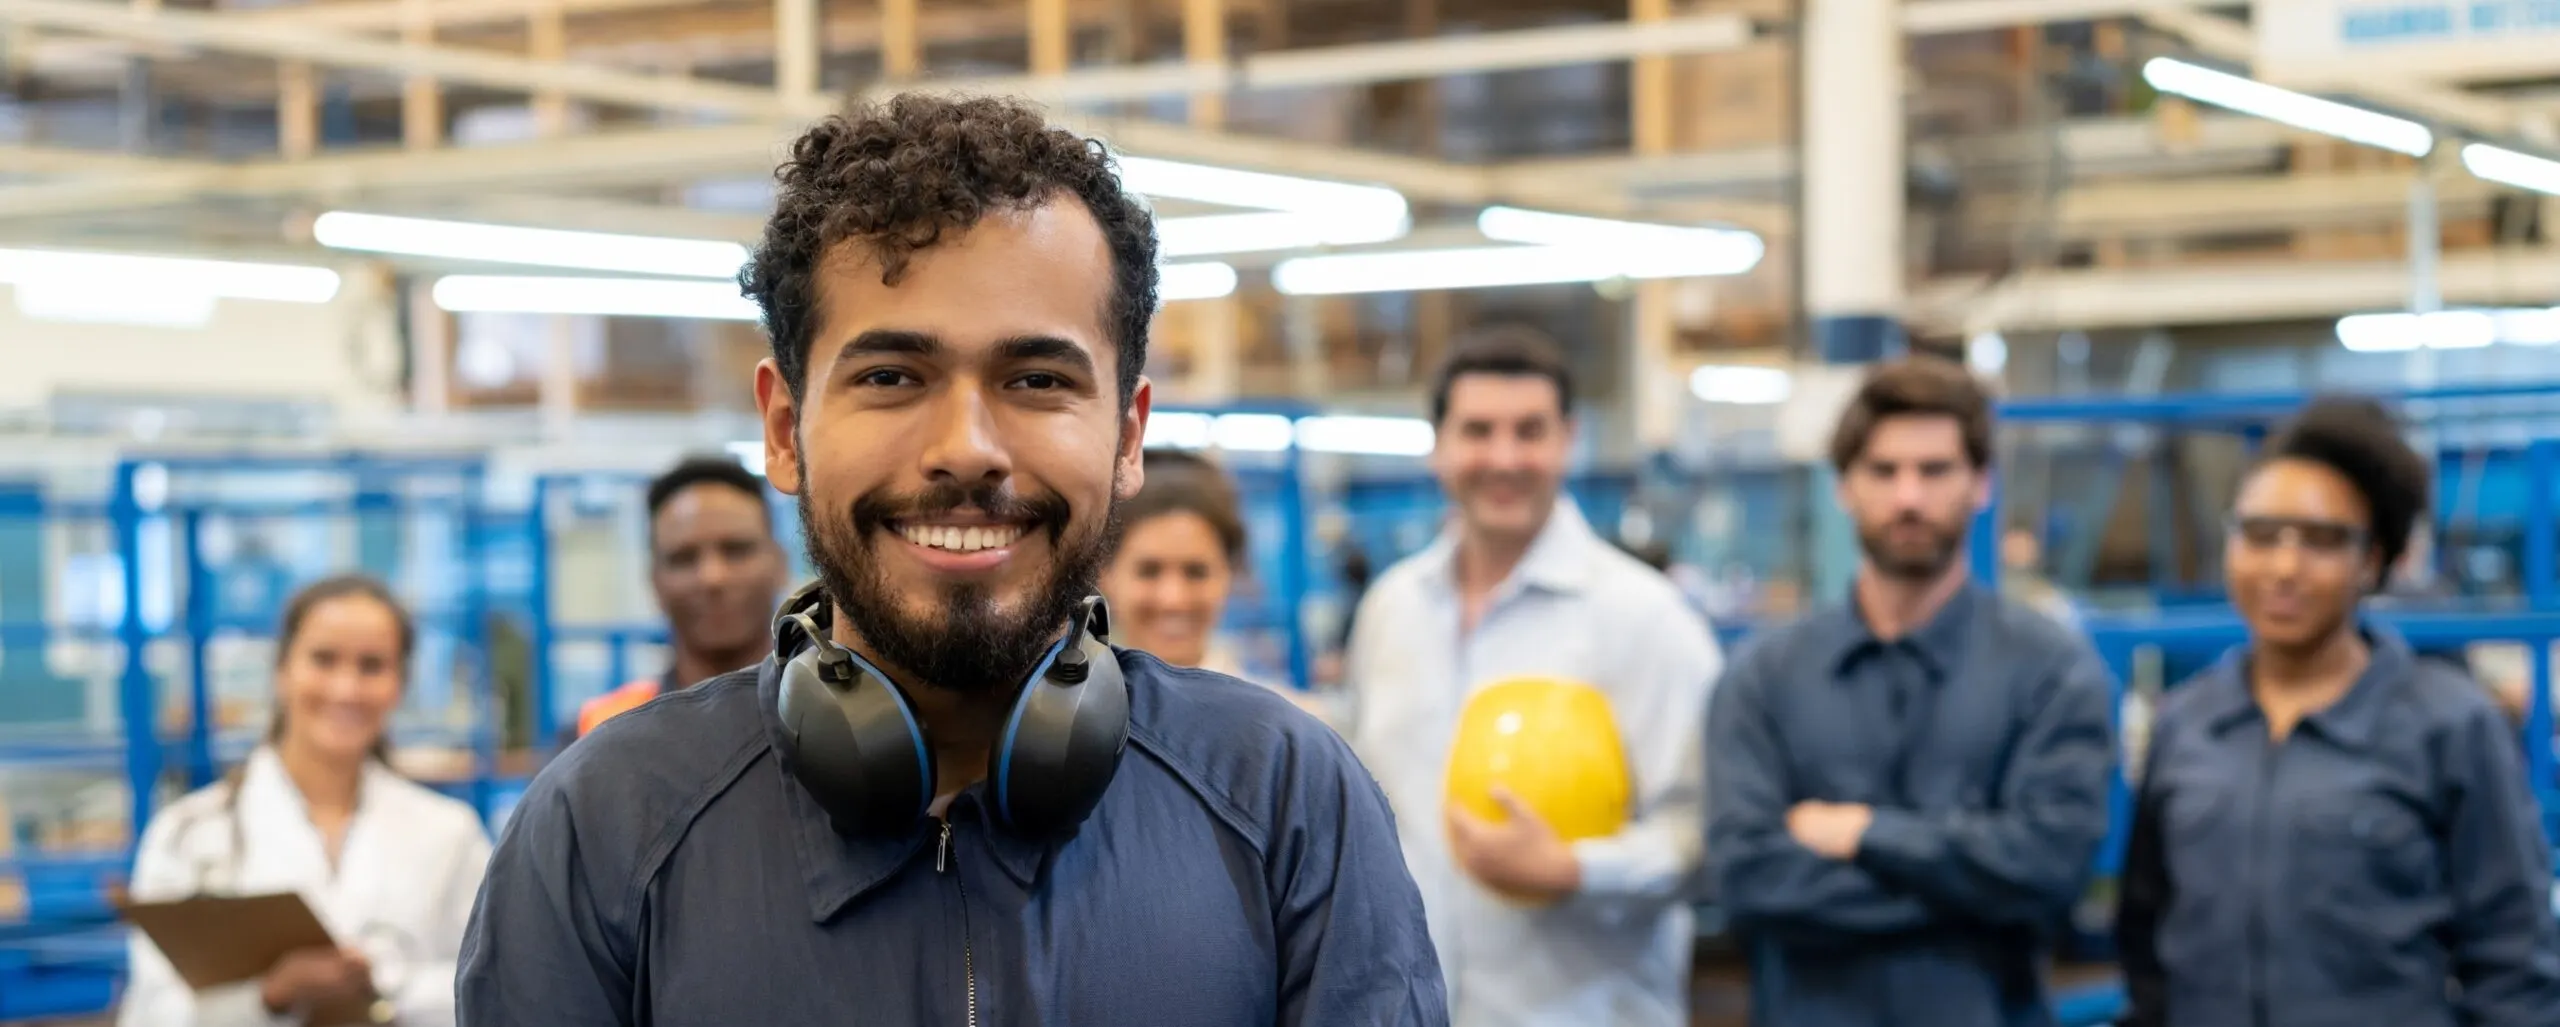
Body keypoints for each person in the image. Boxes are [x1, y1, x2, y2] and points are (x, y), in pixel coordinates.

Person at [456, 93, 1445, 1026]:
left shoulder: (1282, 802)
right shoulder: (605, 828)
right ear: (786, 429)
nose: (966, 448)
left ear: (1128, 434)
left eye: (1037, 378)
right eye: (892, 375)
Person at [2116, 397, 2560, 1027]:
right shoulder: (2186, 725)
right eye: (2259, 535)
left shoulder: (2450, 727)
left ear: (2372, 560)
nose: (2284, 568)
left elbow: (2516, 963)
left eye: (2322, 541)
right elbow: (2146, 937)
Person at [1704, 356, 2116, 1027]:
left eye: (1935, 470)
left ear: (1981, 483)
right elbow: (1747, 879)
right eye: (1884, 470)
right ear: (1844, 486)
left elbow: (2049, 869)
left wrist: (1864, 832)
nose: (1908, 497)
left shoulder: (2050, 670)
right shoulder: (1764, 677)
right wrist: (1969, 887)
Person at [1344, 327, 1721, 1027]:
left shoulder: (1646, 620)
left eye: (1530, 431)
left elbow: (1704, 835)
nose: (1505, 457)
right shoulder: (1391, 610)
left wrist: (1575, 869)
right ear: (1439, 446)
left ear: (1569, 440)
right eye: (1478, 431)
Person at [119, 574, 492, 1027]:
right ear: (282, 669)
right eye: (323, 659)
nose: (346, 688)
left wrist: (384, 984)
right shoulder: (190, 833)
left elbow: (491, 985)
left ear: (400, 683)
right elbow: (154, 1012)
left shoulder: (449, 833)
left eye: (372, 666)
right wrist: (270, 997)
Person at [574, 454, 791, 737]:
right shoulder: (601, 735)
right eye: (684, 558)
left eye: (736, 550)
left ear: (780, 565)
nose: (713, 577)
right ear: (654, 581)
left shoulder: (833, 721)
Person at [1096, 448, 1251, 677]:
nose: (1173, 599)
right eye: (1149, 571)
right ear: (1104, 574)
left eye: (1196, 572)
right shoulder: (1056, 700)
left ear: (1229, 573)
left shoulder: (1272, 702)